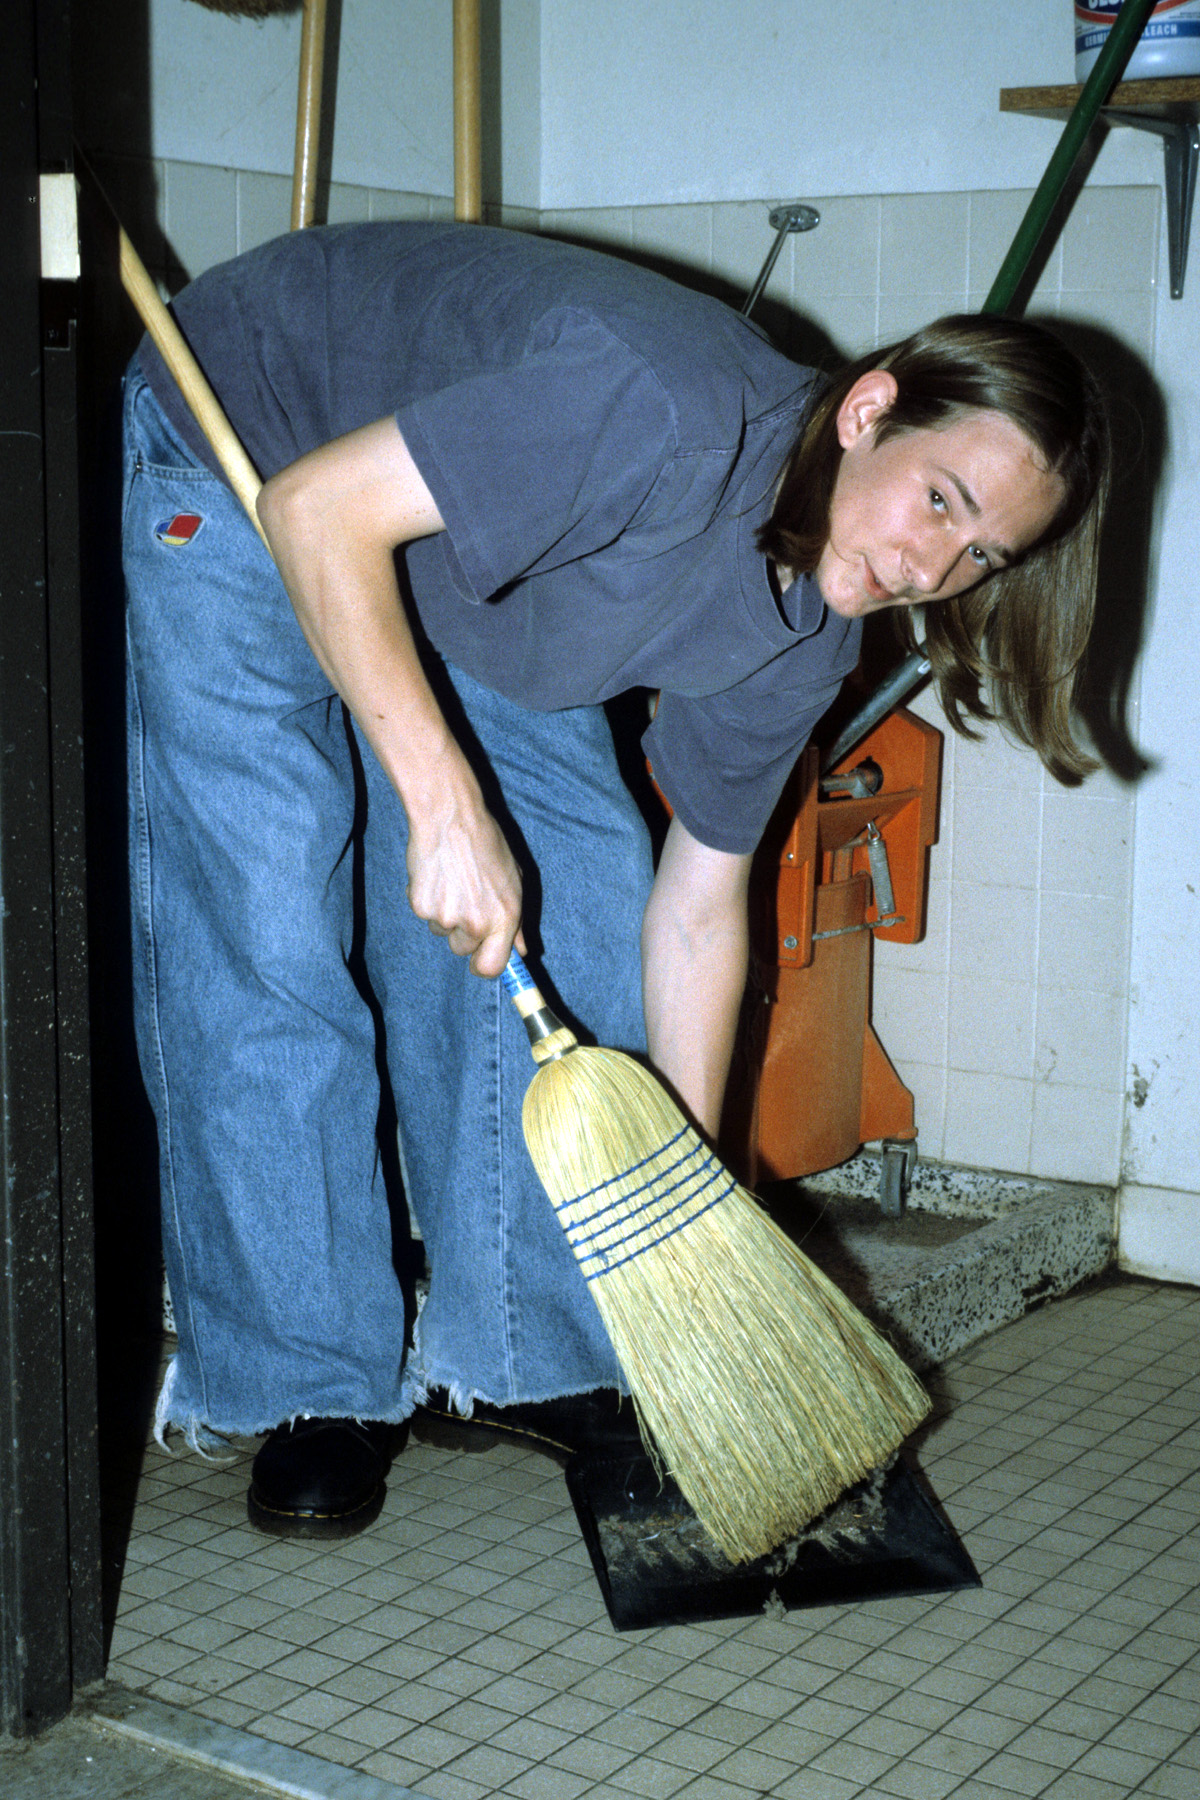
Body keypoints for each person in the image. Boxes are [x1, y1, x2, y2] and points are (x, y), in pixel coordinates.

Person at [122, 221, 1109, 1538]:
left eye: (981, 557)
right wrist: (440, 801)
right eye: (942, 502)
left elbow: (698, 915)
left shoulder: (808, 636)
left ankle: (533, 1351)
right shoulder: (660, 415)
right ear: (869, 412)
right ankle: (309, 1381)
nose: (932, 571)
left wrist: (697, 1211)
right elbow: (316, 512)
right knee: (264, 921)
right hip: (251, 432)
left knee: (583, 886)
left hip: (461, 548)